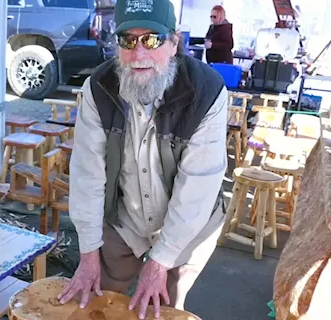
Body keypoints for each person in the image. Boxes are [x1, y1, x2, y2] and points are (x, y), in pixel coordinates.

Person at [56, 0, 229, 318]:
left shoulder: (208, 92)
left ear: (174, 42)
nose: (138, 54)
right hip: (125, 221)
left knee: (164, 308)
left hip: (188, 226)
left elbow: (198, 188)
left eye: (152, 39)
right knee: (95, 301)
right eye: (128, 40)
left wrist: (161, 259)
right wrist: (88, 253)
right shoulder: (98, 88)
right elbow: (87, 174)